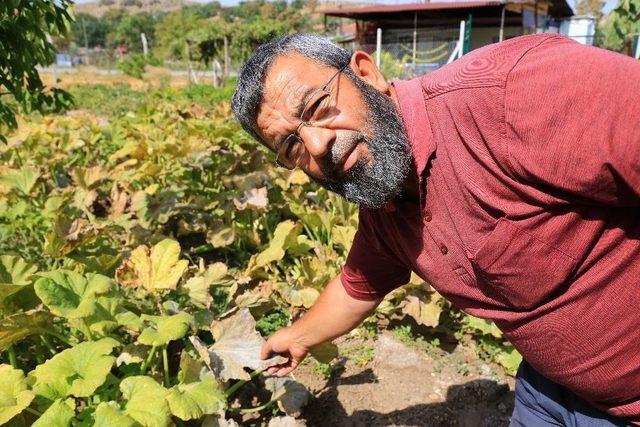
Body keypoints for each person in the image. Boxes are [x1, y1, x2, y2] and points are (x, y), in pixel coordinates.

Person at [231, 33, 640, 426]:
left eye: (319, 107)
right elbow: (359, 286)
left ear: (367, 73)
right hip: (548, 391)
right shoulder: (386, 199)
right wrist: (299, 336)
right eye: (292, 146)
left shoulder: (513, 91)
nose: (318, 145)